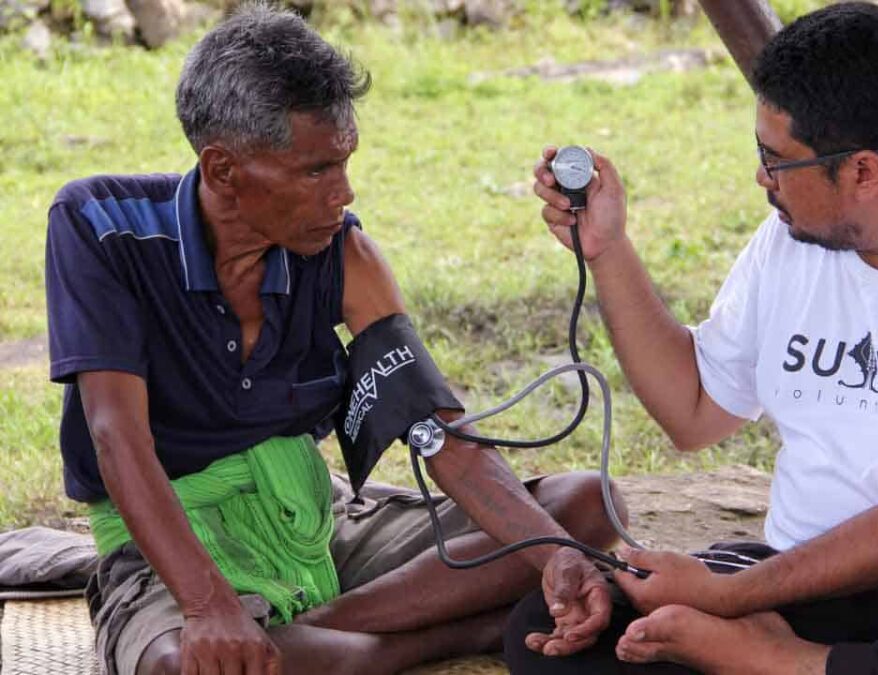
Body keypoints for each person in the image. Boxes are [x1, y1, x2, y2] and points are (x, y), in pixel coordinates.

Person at [45, 5, 624, 675]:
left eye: (345, 163)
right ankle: (435, 635)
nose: (342, 194)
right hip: (166, 547)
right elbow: (118, 438)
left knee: (583, 507)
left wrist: (551, 555)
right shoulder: (101, 226)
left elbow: (446, 440)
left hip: (310, 529)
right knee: (183, 665)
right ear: (223, 170)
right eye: (315, 171)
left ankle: (319, 633)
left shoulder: (345, 255)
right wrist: (208, 605)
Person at [505, 3, 878, 673]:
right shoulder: (794, 238)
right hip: (801, 576)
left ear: (864, 172)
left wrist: (727, 597)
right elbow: (693, 411)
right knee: (550, 629)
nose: (761, 178)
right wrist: (607, 250)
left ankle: (783, 663)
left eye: (774, 159)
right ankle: (788, 656)